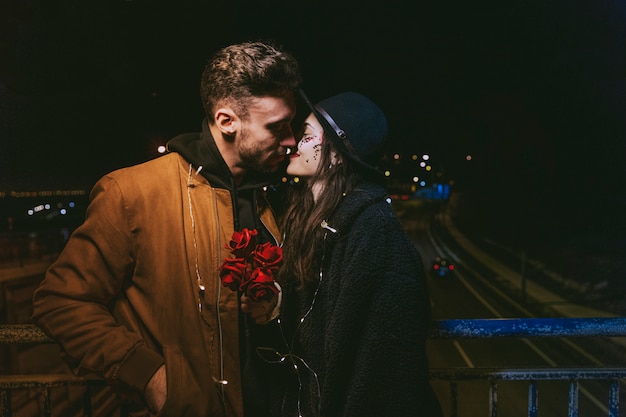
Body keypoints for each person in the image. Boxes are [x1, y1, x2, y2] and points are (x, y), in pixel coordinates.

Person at [31, 40, 302, 417]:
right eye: (277, 126)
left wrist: (274, 304)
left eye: (291, 123)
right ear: (226, 121)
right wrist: (148, 375)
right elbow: (61, 302)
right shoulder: (130, 192)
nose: (290, 140)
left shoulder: (273, 198)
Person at [263, 91, 443, 417]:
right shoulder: (302, 217)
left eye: (305, 136)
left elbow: (385, 369)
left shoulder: (375, 231)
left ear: (336, 155)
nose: (293, 144)